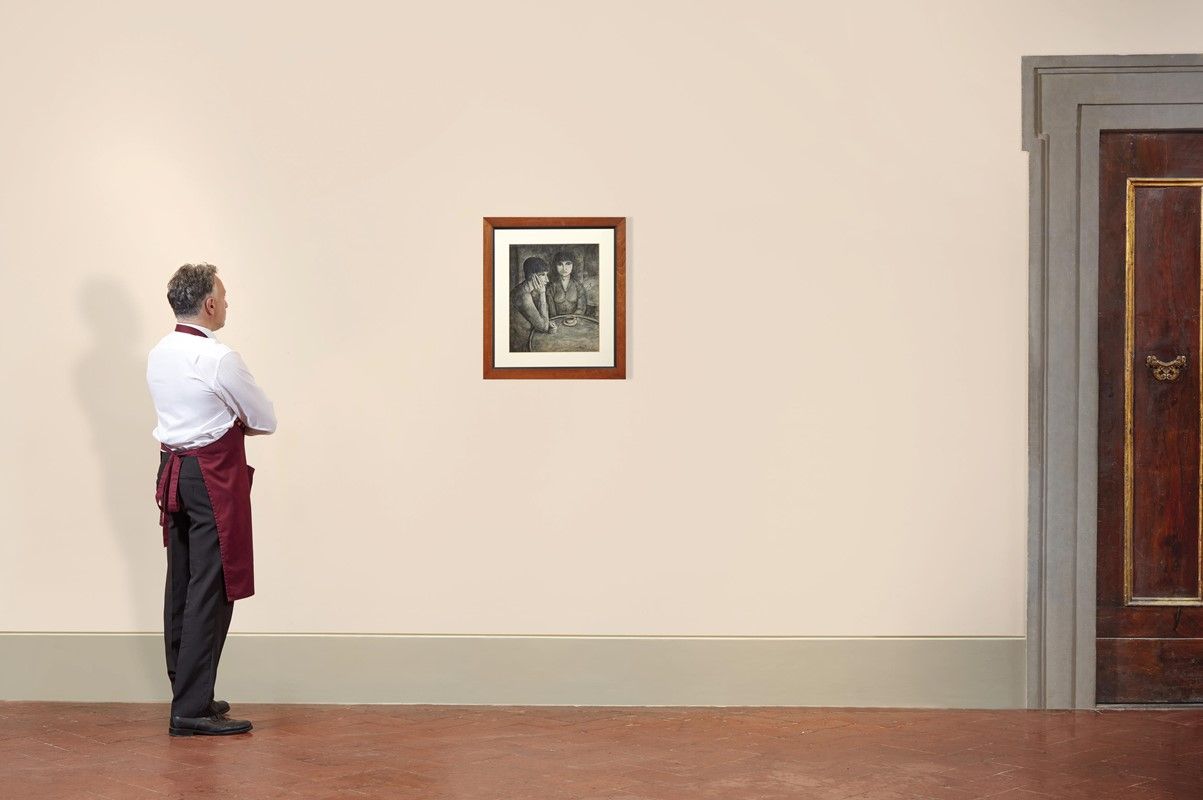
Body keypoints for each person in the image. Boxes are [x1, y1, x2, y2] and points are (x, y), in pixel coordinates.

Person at [146, 263, 276, 737]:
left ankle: (188, 691)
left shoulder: (159, 352)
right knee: (212, 586)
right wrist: (233, 419)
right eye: (224, 294)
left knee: (182, 582)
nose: (227, 302)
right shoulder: (219, 359)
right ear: (209, 303)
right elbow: (264, 419)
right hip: (211, 477)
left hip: (173, 472)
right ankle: (190, 709)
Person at [510, 256, 557, 351]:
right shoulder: (523, 295)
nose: (547, 280)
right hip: (522, 345)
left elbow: (542, 321)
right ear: (532, 276)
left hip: (530, 336)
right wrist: (542, 293)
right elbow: (544, 327)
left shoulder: (528, 289)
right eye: (542, 275)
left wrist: (546, 323)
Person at [546, 251, 588, 318]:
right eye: (560, 264)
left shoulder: (579, 286)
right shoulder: (551, 287)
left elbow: (581, 309)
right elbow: (552, 313)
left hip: (575, 320)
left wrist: (572, 318)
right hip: (556, 321)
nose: (564, 268)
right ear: (555, 266)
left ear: (573, 265)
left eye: (568, 264)